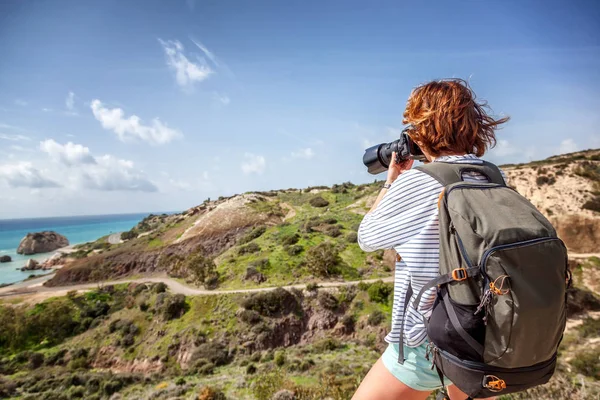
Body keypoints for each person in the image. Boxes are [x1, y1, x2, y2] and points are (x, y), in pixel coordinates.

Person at [352, 79, 509, 400]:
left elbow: (366, 237)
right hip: (484, 333)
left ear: (423, 128)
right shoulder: (490, 175)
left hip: (428, 339)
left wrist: (391, 183)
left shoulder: (419, 182)